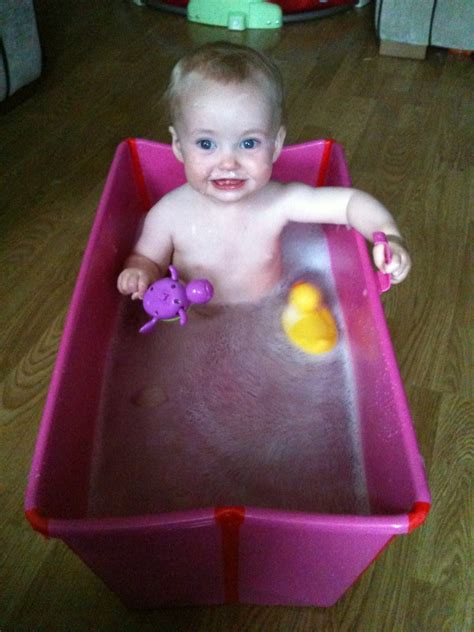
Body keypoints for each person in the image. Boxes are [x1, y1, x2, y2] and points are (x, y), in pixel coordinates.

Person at [118, 42, 411, 304]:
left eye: (249, 143)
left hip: (268, 312)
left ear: (275, 145)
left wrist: (389, 236)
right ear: (178, 146)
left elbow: (349, 204)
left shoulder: (279, 202)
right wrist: (139, 273)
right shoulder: (169, 213)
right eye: (206, 144)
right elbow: (146, 259)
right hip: (192, 318)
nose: (228, 162)